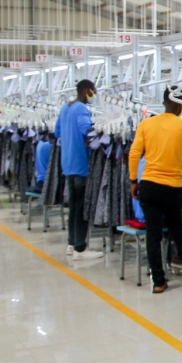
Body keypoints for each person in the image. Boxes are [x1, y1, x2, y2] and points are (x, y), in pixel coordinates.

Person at [129, 87, 182, 293]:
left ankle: (158, 282)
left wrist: (133, 180)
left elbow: (134, 154)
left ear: (164, 102)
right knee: (176, 225)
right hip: (171, 187)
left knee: (153, 235)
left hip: (149, 186)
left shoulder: (146, 124)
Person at [55, 79, 102, 260]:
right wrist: (99, 135)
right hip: (81, 164)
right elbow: (86, 130)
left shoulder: (65, 108)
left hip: (67, 164)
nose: (93, 95)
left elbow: (57, 132)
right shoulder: (81, 108)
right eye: (92, 91)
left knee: (73, 206)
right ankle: (80, 249)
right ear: (85, 90)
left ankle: (71, 243)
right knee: (81, 207)